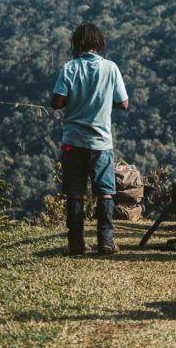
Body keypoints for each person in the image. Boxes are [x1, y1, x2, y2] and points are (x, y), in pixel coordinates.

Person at [51, 22, 129, 256]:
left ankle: (76, 244)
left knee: (75, 192)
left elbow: (56, 103)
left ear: (77, 44)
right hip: (101, 143)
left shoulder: (70, 68)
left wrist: (73, 100)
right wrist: (105, 101)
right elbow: (124, 103)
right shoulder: (111, 68)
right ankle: (106, 241)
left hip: (73, 141)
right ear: (98, 43)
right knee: (105, 191)